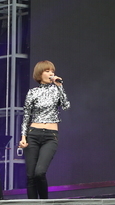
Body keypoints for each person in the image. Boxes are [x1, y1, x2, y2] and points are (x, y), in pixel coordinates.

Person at [19, 60, 70, 199]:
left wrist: (60, 86)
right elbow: (26, 116)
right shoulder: (33, 92)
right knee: (30, 176)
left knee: (39, 172)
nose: (51, 73)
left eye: (52, 71)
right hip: (33, 134)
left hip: (50, 136)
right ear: (40, 74)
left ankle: (44, 202)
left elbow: (66, 106)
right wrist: (23, 137)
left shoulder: (56, 90)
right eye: (47, 71)